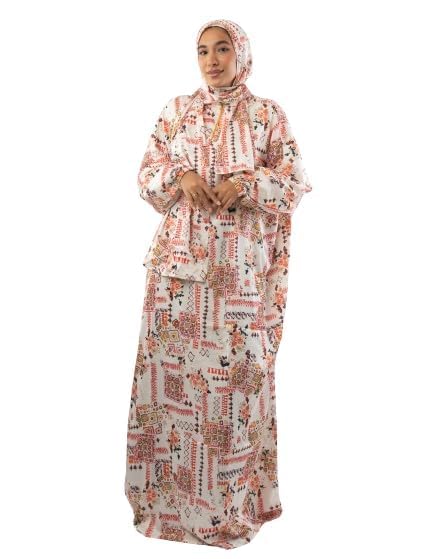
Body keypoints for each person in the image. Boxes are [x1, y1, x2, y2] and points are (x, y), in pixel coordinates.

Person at [124, 18, 313, 549]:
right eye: (203, 50)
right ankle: (165, 507)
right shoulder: (177, 111)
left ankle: (231, 509)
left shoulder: (267, 115)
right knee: (169, 390)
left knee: (238, 385)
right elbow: (146, 176)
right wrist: (180, 176)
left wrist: (245, 183)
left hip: (238, 277)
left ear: (241, 54)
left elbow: (295, 183)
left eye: (222, 49)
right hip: (176, 277)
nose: (211, 59)